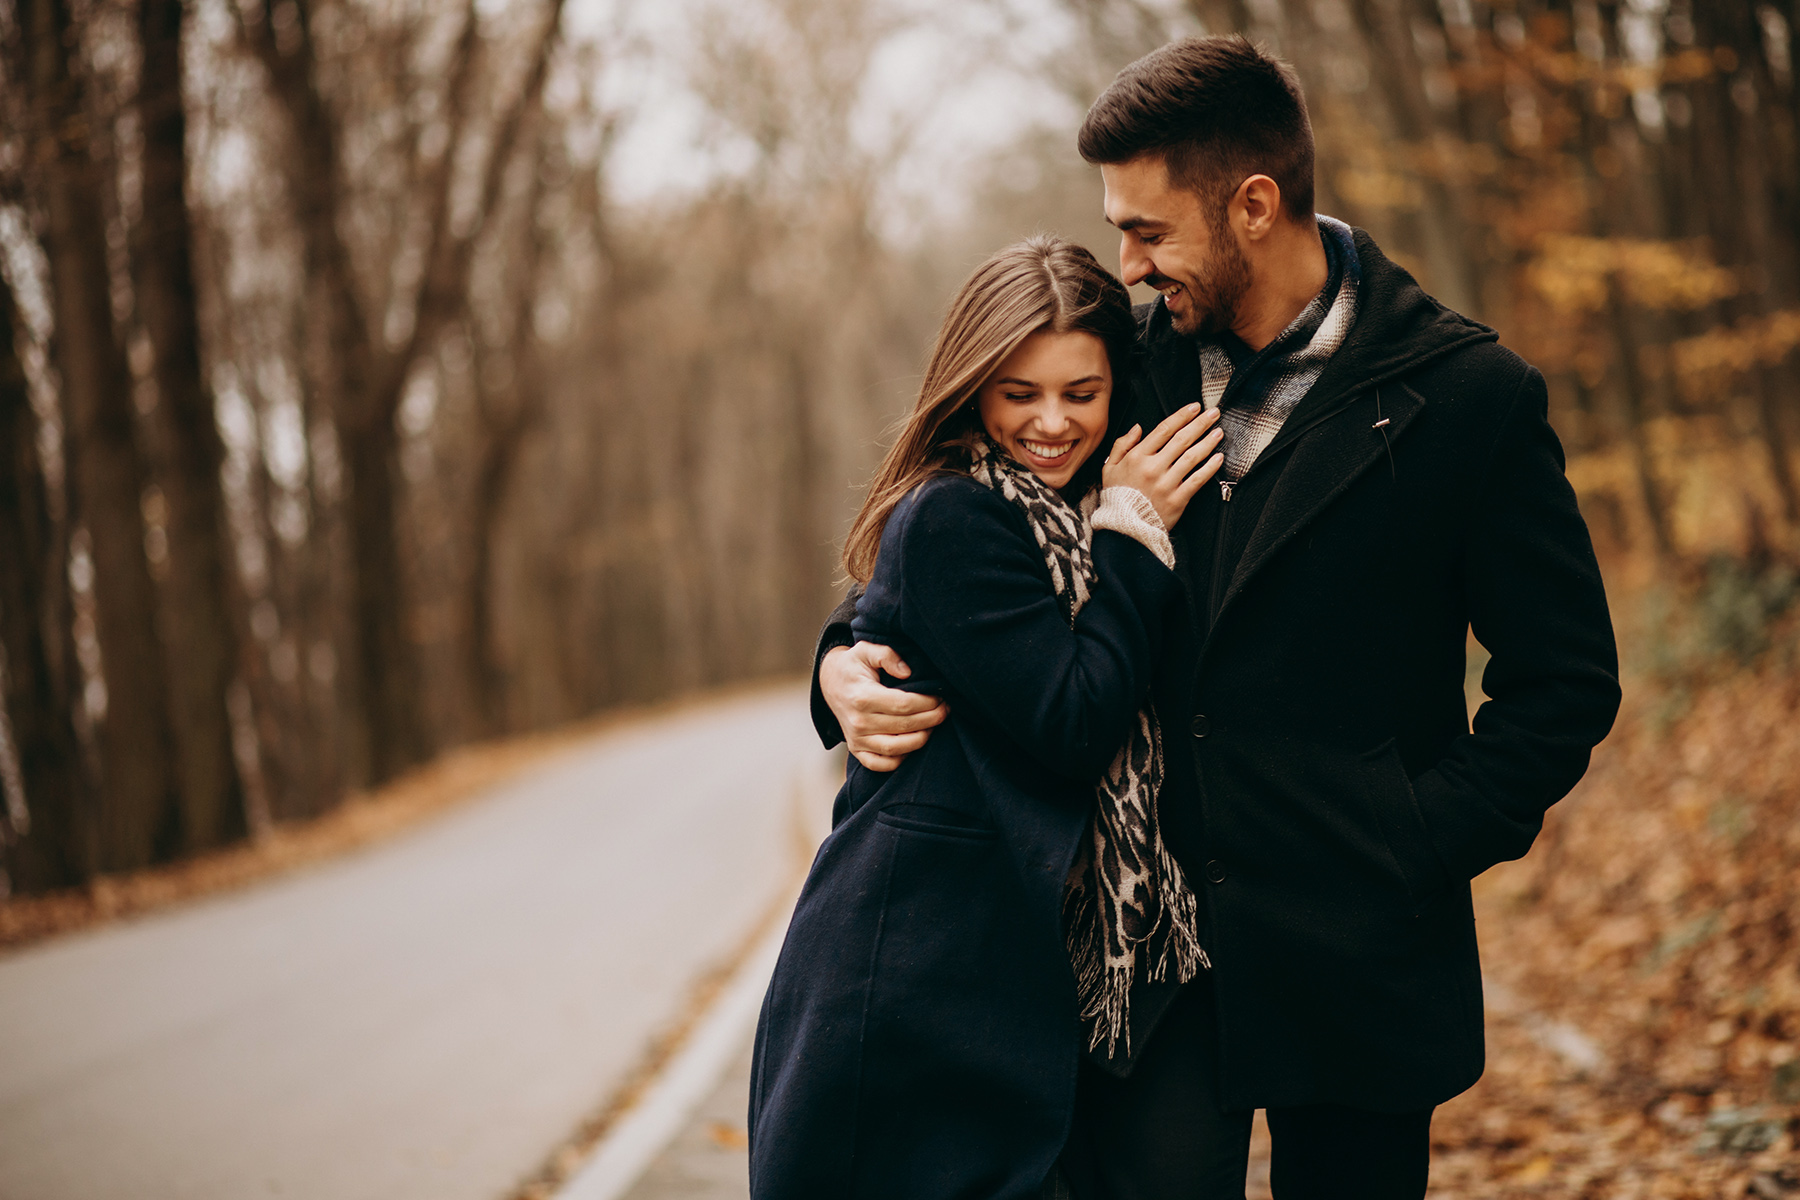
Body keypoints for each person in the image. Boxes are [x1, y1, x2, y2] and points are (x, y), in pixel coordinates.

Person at [813, 35, 1622, 1199]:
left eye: (1148, 231)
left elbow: (1565, 681)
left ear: (1253, 205)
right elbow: (963, 530)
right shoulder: (1119, 371)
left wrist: (1420, 837)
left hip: (1363, 961)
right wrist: (844, 659)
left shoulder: (1468, 400)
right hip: (1147, 975)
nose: (1128, 264)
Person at [748, 236, 1225, 1199]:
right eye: (1019, 394)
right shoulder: (960, 517)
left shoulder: (1105, 494)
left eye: (1079, 394)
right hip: (923, 988)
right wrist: (1132, 540)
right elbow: (1074, 721)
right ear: (972, 388)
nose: (1050, 423)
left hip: (1062, 977)